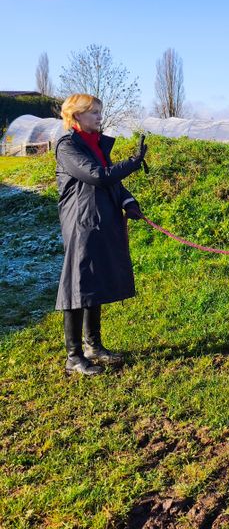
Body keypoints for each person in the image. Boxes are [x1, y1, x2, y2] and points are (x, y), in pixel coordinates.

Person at [55, 94, 147, 376]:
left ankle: (93, 346)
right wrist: (132, 163)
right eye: (92, 112)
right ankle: (73, 357)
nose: (98, 116)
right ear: (76, 115)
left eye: (99, 111)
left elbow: (111, 181)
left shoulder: (95, 144)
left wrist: (127, 201)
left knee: (94, 284)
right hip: (82, 224)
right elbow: (96, 175)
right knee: (78, 285)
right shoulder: (68, 146)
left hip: (102, 220)